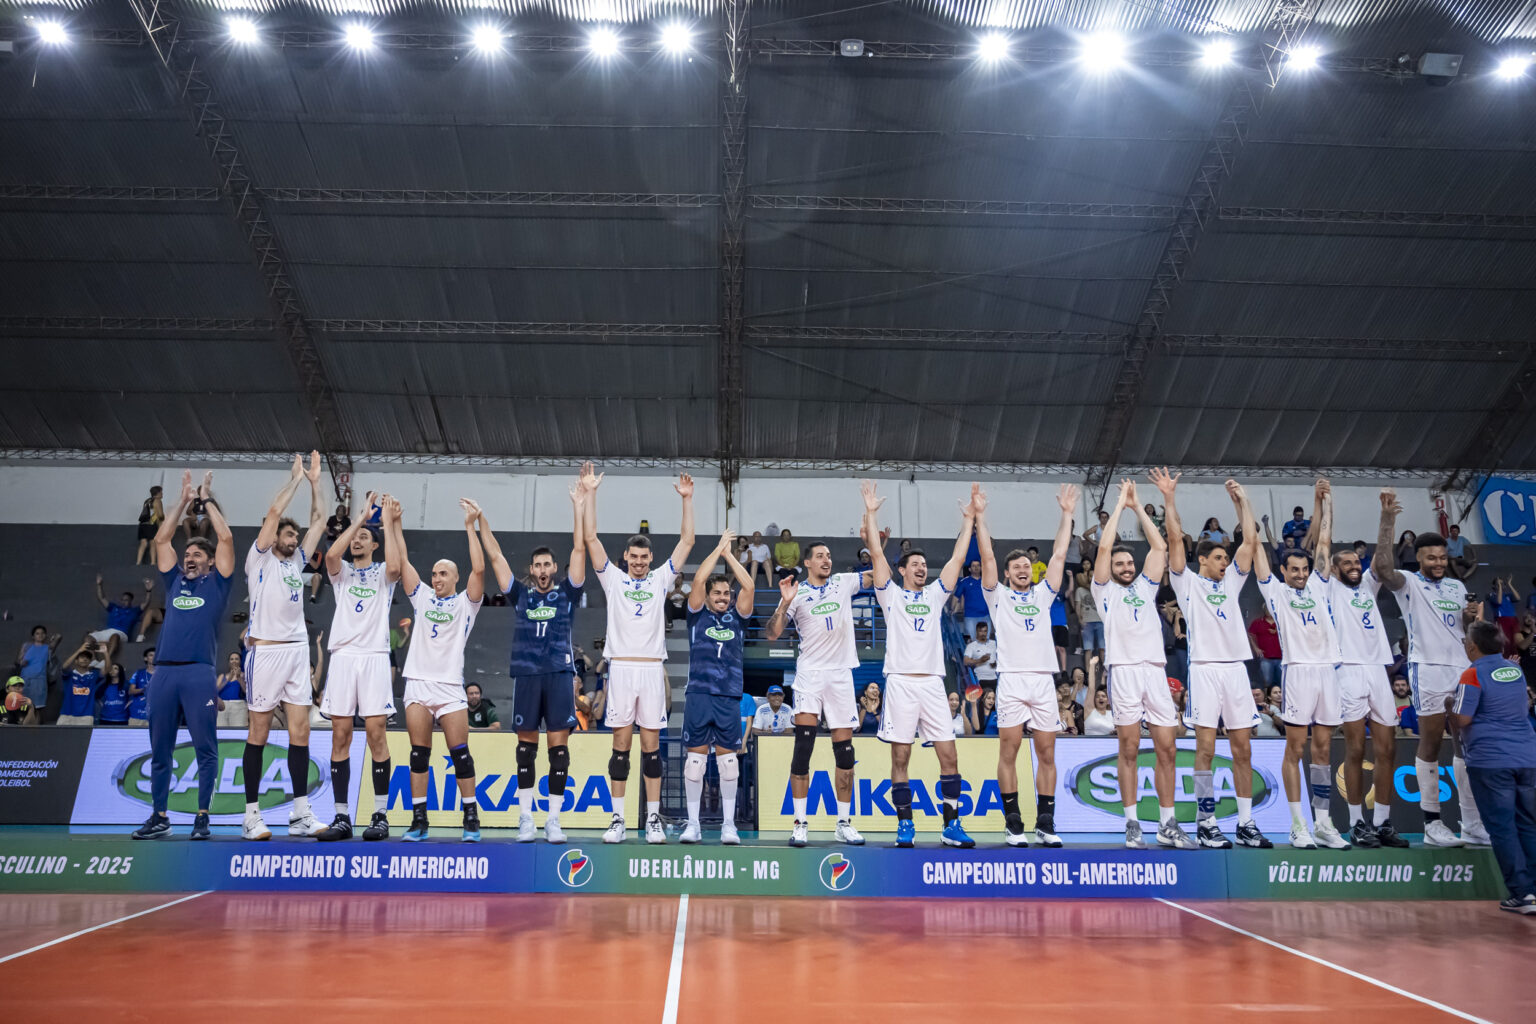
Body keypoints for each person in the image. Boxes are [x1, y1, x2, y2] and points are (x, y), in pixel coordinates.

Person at [581, 463, 695, 845]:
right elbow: (591, 536)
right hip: (622, 669)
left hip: (650, 671)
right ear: (625, 557)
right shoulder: (612, 578)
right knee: (620, 749)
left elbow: (688, 543)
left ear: (650, 559)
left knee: (651, 751)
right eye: (633, 557)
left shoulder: (662, 577)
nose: (639, 562)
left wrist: (687, 500)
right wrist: (591, 492)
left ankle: (653, 820)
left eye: (644, 558)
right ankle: (617, 819)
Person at [1155, 468, 1269, 849]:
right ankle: (1206, 822)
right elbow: (1173, 537)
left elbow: (1250, 542)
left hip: (1236, 670)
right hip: (1204, 671)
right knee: (1204, 749)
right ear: (1202, 560)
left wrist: (1243, 503)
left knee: (1243, 748)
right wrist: (1169, 498)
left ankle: (1246, 823)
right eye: (1219, 557)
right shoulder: (1187, 583)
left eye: (1226, 557)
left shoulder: (1233, 580)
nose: (1225, 562)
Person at [862, 479, 976, 849]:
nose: (923, 568)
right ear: (903, 569)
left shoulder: (934, 595)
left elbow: (958, 559)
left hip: (932, 683)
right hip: (900, 683)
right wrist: (871, 511)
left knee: (949, 754)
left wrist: (969, 521)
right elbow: (877, 557)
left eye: (925, 564)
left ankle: (951, 825)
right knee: (901, 755)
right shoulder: (890, 594)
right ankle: (905, 824)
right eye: (916, 564)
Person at [479, 481, 586, 845]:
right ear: (531, 569)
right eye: (537, 565)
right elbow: (495, 558)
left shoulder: (568, 592)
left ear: (555, 567)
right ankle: (526, 818)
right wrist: (481, 523)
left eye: (547, 564)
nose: (542, 569)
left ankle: (553, 820)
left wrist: (579, 504)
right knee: (526, 749)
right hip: (526, 675)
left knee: (559, 751)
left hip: (558, 674)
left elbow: (579, 547)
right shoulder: (521, 595)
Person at [1373, 509, 1488, 847]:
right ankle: (1432, 824)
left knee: (1465, 745)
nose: (1438, 562)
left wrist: (1470, 619)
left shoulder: (1456, 585)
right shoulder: (1408, 583)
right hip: (1428, 670)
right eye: (1431, 558)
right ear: (1419, 559)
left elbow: (1466, 631)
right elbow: (1381, 569)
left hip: (1461, 668)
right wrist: (1387, 522)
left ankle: (1471, 823)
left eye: (1442, 556)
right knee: (1431, 743)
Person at [131, 470, 235, 840]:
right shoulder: (174, 581)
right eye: (187, 553)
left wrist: (205, 499)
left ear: (209, 562)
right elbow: (161, 538)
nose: (189, 557)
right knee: (160, 749)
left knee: (206, 749)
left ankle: (202, 817)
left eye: (196, 554)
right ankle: (159, 816)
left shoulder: (218, 584)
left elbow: (224, 536)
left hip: (198, 673)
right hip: (164, 674)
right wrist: (182, 499)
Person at [1092, 479, 1192, 850]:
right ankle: (1132, 823)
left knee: (1167, 748)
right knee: (1129, 748)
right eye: (1120, 563)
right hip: (1124, 672)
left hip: (1154, 670)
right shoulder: (1104, 591)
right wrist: (1120, 504)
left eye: (1128, 562)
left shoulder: (1146, 587)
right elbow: (1104, 545)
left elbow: (1161, 546)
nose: (1126, 566)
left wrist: (1138, 509)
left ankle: (1168, 823)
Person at [975, 482, 1076, 847]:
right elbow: (987, 557)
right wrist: (981, 518)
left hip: (1042, 682)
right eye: (1016, 566)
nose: (1023, 569)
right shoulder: (997, 597)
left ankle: (1046, 822)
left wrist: (1066, 516)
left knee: (1047, 752)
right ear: (1006, 574)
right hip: (1013, 681)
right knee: (1009, 751)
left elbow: (1061, 555)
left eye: (1027, 566)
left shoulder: (1044, 594)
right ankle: (1013, 820)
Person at [1255, 478, 1350, 849]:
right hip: (1297, 673)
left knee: (1323, 750)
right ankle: (1298, 824)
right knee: (1294, 749)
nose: (1299, 574)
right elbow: (1259, 555)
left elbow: (1323, 540)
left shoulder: (1320, 584)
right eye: (1293, 569)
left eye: (1303, 569)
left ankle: (1323, 822)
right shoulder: (1275, 592)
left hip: (1328, 671)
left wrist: (1324, 501)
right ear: (1284, 572)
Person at [763, 529, 874, 848]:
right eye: (820, 556)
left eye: (829, 555)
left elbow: (882, 576)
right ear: (807, 562)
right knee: (803, 751)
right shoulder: (796, 594)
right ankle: (800, 823)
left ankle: (843, 822)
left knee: (845, 754)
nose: (827, 559)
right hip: (810, 675)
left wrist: (874, 545)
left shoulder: (843, 582)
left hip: (840, 675)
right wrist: (783, 604)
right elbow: (772, 633)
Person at [386, 495, 488, 843]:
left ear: (455, 578)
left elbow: (480, 569)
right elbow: (402, 560)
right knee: (418, 754)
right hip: (417, 684)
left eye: (443, 573)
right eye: (434, 573)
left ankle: (471, 818)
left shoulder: (466, 604)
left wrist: (470, 527)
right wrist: (396, 523)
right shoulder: (422, 597)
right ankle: (419, 820)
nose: (437, 577)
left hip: (448, 688)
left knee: (460, 755)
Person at [240, 452, 329, 841]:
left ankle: (300, 813)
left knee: (301, 734)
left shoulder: (297, 565)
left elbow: (320, 521)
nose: (294, 539)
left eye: (295, 536)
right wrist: (293, 479)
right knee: (257, 732)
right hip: (266, 652)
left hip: (297, 652)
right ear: (274, 535)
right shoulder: (258, 560)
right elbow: (275, 510)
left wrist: (314, 482)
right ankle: (251, 816)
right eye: (288, 535)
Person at [314, 492, 403, 843]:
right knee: (340, 735)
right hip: (344, 658)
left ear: (376, 545)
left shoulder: (383, 572)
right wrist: (360, 520)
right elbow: (332, 554)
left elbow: (397, 567)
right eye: (356, 537)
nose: (358, 541)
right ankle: (341, 816)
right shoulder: (343, 573)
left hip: (375, 657)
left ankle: (380, 815)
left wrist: (390, 524)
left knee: (377, 733)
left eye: (365, 537)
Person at [1331, 490, 1412, 849]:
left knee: (1388, 749)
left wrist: (1387, 519)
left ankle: (1382, 822)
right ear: (1334, 569)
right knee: (1354, 750)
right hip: (1347, 671)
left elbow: (1381, 559)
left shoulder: (1367, 582)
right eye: (1345, 562)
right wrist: (1326, 503)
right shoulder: (1328, 587)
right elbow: (1321, 551)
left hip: (1378, 671)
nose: (1353, 566)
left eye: (1354, 561)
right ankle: (1355, 823)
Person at [1449, 620, 1536, 914]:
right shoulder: (1515, 670)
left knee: (1502, 829)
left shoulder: (1471, 674)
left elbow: (1462, 719)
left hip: (1490, 761)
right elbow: (1521, 707)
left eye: (1466, 641)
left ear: (1472, 646)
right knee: (1528, 824)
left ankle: (1522, 894)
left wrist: (1450, 704)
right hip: (1527, 757)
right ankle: (1534, 890)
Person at [680, 531, 756, 845]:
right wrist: (716, 550)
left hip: (728, 697)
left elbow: (749, 586)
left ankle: (728, 826)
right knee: (695, 764)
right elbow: (697, 581)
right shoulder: (697, 616)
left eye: (727, 593)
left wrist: (729, 557)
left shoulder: (738, 619)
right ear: (709, 596)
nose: (723, 597)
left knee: (728, 764)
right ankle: (693, 825)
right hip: (699, 694)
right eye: (718, 593)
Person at [92, 577, 155, 665]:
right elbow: (101, 598)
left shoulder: (134, 611)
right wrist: (99, 585)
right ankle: (93, 660)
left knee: (115, 636)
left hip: (121, 634)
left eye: (126, 600)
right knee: (88, 637)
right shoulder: (113, 607)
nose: (123, 602)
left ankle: (106, 661)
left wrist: (149, 591)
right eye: (122, 600)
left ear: (131, 601)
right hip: (107, 632)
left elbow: (146, 603)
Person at [16, 627, 60, 726]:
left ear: (45, 635)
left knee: (38, 707)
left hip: (40, 680)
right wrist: (22, 662)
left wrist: (51, 639)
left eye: (42, 633)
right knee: (24, 705)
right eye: (37, 633)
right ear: (33, 636)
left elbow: (59, 637)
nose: (40, 635)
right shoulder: (27, 646)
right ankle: (22, 727)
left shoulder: (48, 648)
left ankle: (38, 729)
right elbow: (19, 661)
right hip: (25, 680)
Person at [56, 644, 103, 727]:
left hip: (86, 715)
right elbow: (64, 667)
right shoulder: (70, 675)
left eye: (87, 658)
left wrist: (106, 653)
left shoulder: (93, 676)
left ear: (89, 662)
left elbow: (107, 670)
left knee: (82, 740)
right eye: (81, 657)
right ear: (76, 660)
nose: (85, 659)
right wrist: (79, 650)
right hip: (67, 714)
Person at [952, 560, 989, 639]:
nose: (976, 567)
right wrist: (952, 609)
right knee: (973, 642)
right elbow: (956, 596)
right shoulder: (964, 582)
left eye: (978, 565)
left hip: (985, 616)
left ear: (981, 568)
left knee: (986, 642)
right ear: (970, 569)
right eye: (973, 566)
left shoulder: (986, 581)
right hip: (970, 617)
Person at [1247, 608, 1282, 689]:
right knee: (1267, 681)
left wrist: (1278, 630)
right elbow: (1250, 634)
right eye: (1267, 608)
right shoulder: (1258, 622)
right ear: (1264, 610)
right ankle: (1267, 699)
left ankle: (1280, 700)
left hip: (1282, 657)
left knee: (1281, 681)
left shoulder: (1280, 621)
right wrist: (1255, 648)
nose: (1269, 610)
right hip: (1266, 657)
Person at [216, 651, 247, 728]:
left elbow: (247, 692)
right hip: (222, 706)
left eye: (236, 659)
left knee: (238, 731)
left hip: (238, 706)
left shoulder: (244, 675)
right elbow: (215, 692)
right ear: (229, 662)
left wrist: (239, 677)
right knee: (221, 731)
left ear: (240, 661)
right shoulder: (222, 676)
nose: (234, 661)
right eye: (231, 659)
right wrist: (228, 680)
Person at [963, 621, 998, 690]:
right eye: (981, 631)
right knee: (983, 700)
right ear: (976, 631)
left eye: (985, 631)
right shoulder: (971, 646)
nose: (983, 633)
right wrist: (980, 660)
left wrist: (996, 663)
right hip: (981, 679)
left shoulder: (994, 643)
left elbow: (1003, 658)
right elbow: (965, 661)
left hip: (995, 678)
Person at [135, 485, 165, 565]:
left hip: (142, 524)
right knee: (152, 542)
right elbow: (160, 515)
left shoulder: (147, 501)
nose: (162, 493)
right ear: (158, 493)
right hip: (151, 524)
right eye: (161, 492)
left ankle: (138, 562)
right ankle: (153, 562)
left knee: (143, 542)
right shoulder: (158, 501)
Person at [126, 649, 153, 727]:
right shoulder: (138, 673)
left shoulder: (162, 674)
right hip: (137, 713)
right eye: (151, 655)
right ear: (145, 658)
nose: (154, 657)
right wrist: (144, 689)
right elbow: (130, 691)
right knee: (134, 738)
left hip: (155, 714)